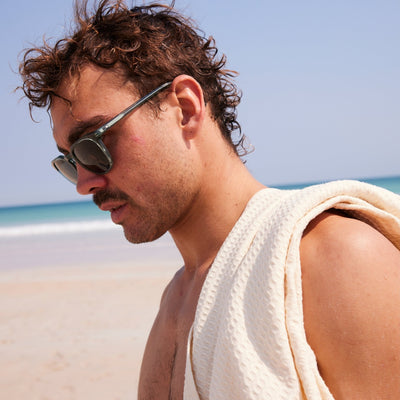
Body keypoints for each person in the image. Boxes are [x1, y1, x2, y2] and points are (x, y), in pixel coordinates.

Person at [18, 1, 400, 399]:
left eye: (93, 144)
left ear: (184, 107)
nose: (83, 183)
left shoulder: (336, 258)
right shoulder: (172, 306)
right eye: (70, 161)